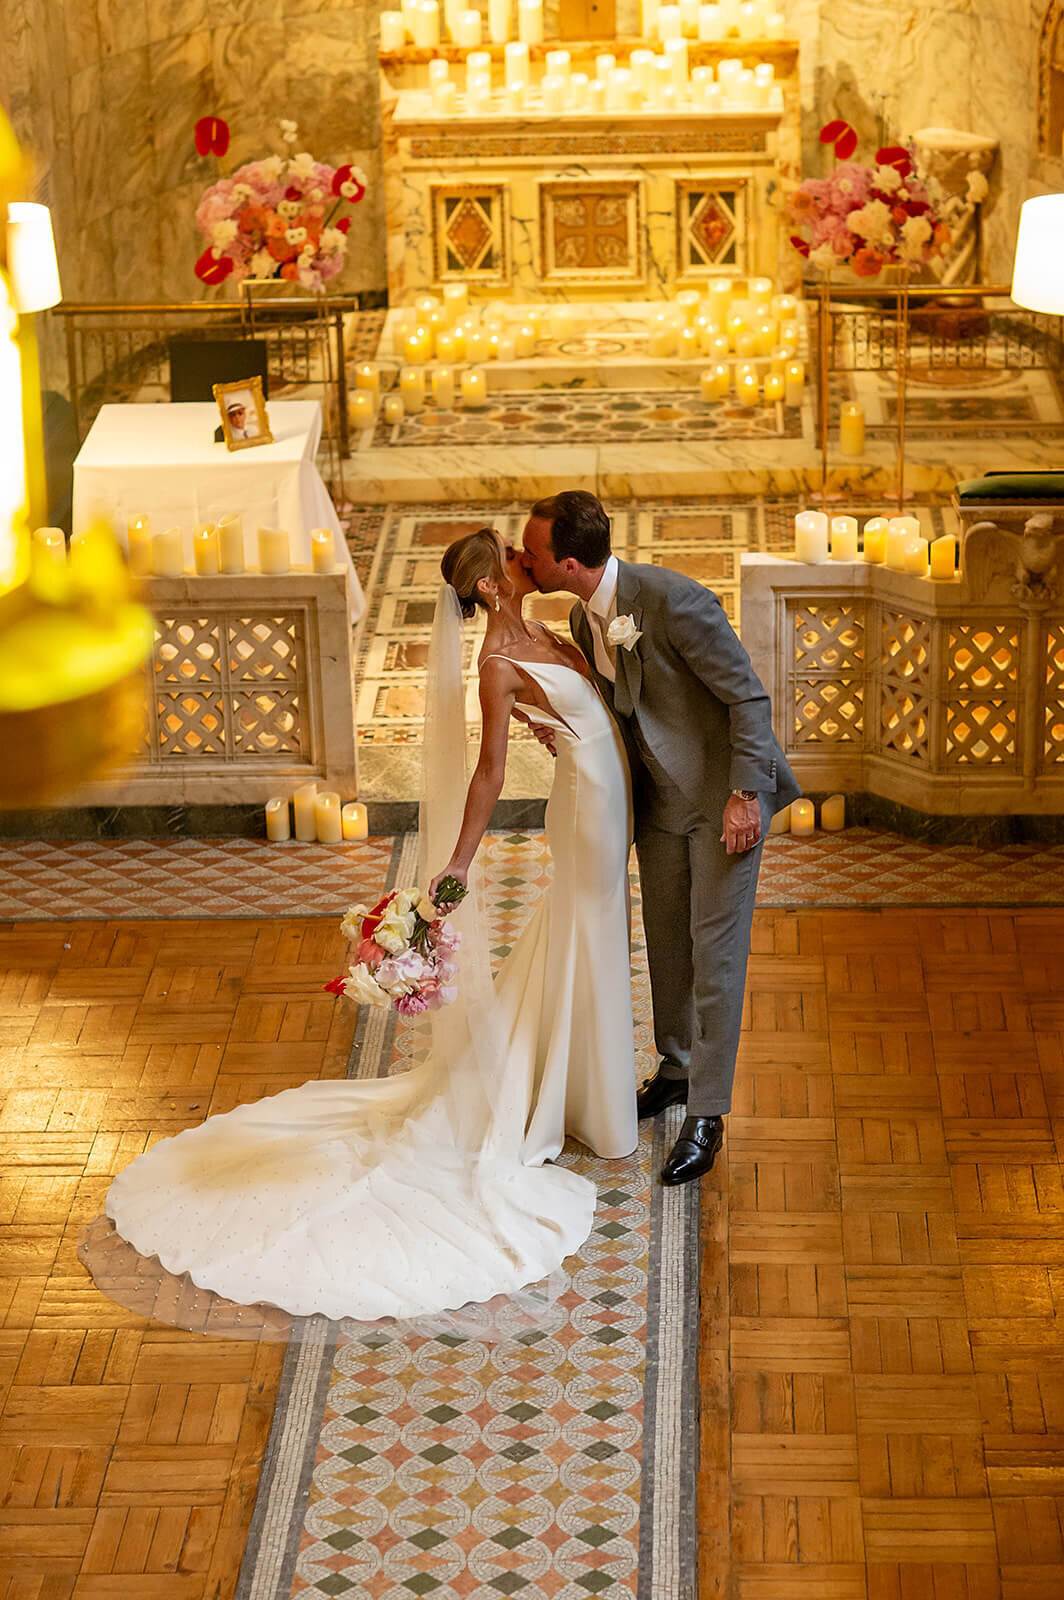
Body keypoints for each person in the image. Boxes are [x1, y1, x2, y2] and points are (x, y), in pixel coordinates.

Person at [98, 528, 637, 1322]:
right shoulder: (496, 664)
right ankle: (579, 1099)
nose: (527, 563)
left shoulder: (546, 633)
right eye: (513, 561)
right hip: (585, 810)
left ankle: (573, 1085)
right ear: (489, 590)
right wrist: (456, 862)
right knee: (584, 928)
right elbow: (488, 771)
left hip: (603, 789)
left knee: (584, 935)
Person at [521, 490, 800, 1187]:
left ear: (571, 561)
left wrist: (744, 795)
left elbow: (749, 699)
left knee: (717, 956)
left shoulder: (676, 601)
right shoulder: (584, 622)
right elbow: (622, 712)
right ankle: (675, 1070)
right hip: (659, 806)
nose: (525, 561)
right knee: (669, 946)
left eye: (533, 553)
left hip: (722, 803)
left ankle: (707, 1113)